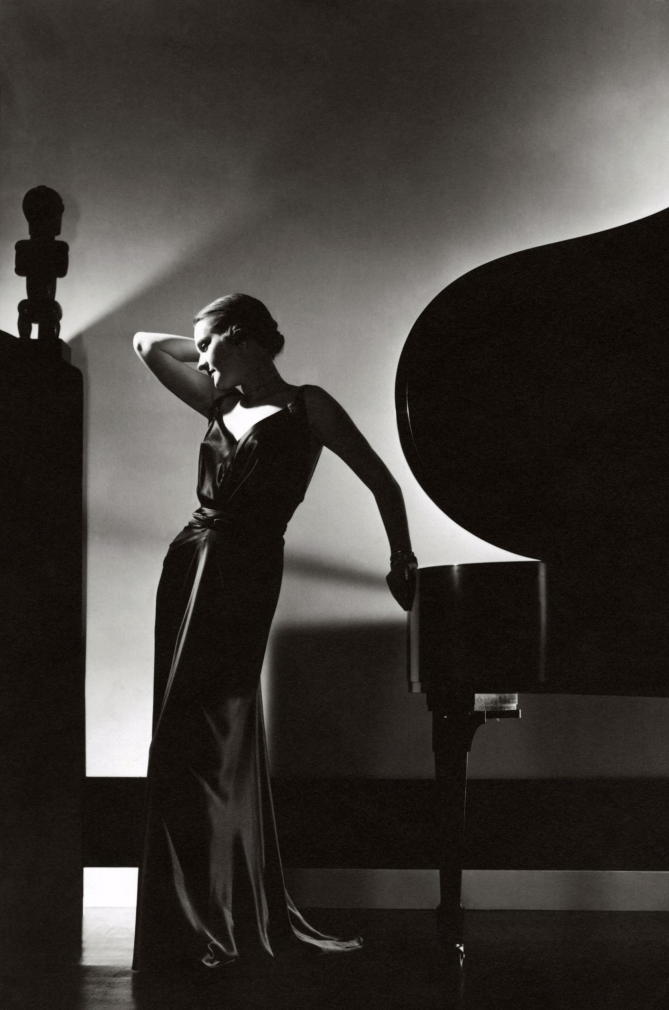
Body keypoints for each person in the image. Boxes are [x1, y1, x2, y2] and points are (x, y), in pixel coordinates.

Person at [130, 293, 417, 974]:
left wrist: (400, 557)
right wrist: (214, 352)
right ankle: (189, 917)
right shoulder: (218, 402)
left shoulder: (307, 406)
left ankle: (227, 911)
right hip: (191, 559)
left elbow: (382, 481)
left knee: (223, 730)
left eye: (210, 344)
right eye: (200, 349)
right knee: (177, 732)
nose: (198, 358)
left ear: (242, 337)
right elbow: (147, 343)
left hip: (246, 567)